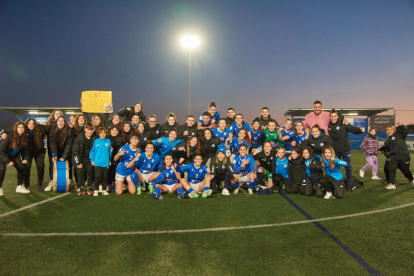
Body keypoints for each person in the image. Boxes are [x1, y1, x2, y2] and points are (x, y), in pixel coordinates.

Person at [328, 109, 364, 188]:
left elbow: (352, 129)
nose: (333, 118)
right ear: (330, 117)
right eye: (331, 116)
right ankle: (338, 182)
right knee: (336, 167)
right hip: (335, 150)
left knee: (348, 167)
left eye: (335, 116)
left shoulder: (343, 123)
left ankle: (349, 183)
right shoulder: (329, 125)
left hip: (345, 150)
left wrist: (360, 130)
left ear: (337, 116)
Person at [45, 116, 74, 192]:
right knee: (53, 164)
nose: (60, 123)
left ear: (65, 123)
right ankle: (52, 181)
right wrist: (54, 154)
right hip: (56, 150)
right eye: (59, 121)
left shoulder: (69, 130)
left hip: (66, 150)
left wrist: (64, 156)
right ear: (56, 122)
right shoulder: (52, 130)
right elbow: (52, 143)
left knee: (69, 163)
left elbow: (69, 145)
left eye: (62, 121)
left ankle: (69, 180)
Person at [0, 122, 30, 195]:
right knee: (2, 169)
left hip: (13, 156)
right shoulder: (8, 137)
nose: (20, 129)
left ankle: (19, 186)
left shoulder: (24, 138)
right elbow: (1, 151)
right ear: (15, 128)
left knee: (22, 167)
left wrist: (25, 158)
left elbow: (26, 150)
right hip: (2, 155)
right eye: (19, 127)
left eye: (22, 127)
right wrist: (7, 161)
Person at [382, 123, 414, 189]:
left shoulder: (400, 135)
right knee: (392, 169)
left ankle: (412, 179)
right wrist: (387, 156)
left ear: (394, 131)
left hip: (403, 157)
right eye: (387, 130)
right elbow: (386, 150)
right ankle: (392, 184)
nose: (389, 131)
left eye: (390, 129)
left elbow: (405, 131)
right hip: (394, 157)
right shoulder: (387, 141)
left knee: (405, 171)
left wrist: (401, 125)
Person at [24, 118, 47, 191]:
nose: (31, 125)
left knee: (40, 166)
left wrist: (43, 125)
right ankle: (27, 185)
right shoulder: (24, 131)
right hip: (28, 153)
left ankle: (40, 184)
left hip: (39, 152)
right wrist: (4, 132)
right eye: (29, 123)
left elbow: (49, 128)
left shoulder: (39, 130)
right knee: (27, 167)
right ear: (27, 124)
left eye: (33, 123)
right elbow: (12, 131)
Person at [90, 126, 112, 196]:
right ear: (98, 134)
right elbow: (92, 151)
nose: (102, 134)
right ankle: (96, 190)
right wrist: (92, 160)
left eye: (104, 133)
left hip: (105, 163)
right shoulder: (96, 141)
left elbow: (109, 152)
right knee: (97, 177)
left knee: (104, 177)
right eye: (101, 133)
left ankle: (104, 190)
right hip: (97, 163)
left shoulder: (108, 141)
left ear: (106, 134)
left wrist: (110, 160)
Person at [107, 125, 122, 191]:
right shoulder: (107, 138)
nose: (114, 132)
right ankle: (108, 184)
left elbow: (120, 149)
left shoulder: (120, 139)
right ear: (110, 131)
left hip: (117, 157)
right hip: (108, 157)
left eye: (116, 130)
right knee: (108, 171)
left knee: (115, 170)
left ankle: (115, 183)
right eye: (113, 130)